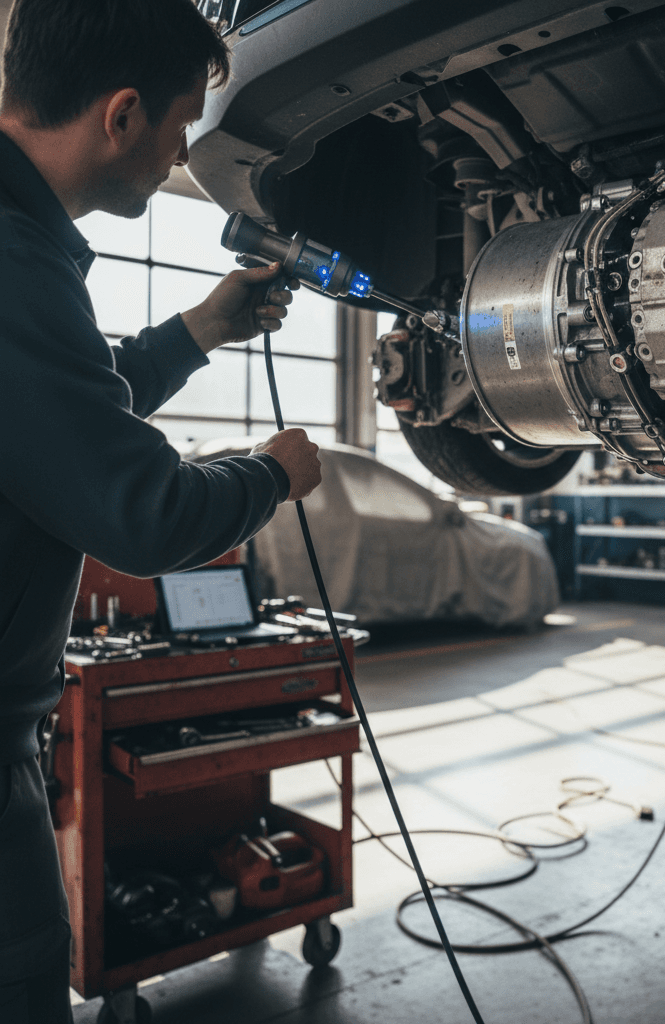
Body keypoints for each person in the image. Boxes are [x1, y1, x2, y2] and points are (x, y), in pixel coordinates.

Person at [0, 2, 323, 1020]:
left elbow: (62, 405)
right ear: (123, 114)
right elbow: (141, 509)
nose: (184, 151)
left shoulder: (19, 250)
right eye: (184, 123)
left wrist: (197, 330)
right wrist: (272, 474)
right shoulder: (11, 260)